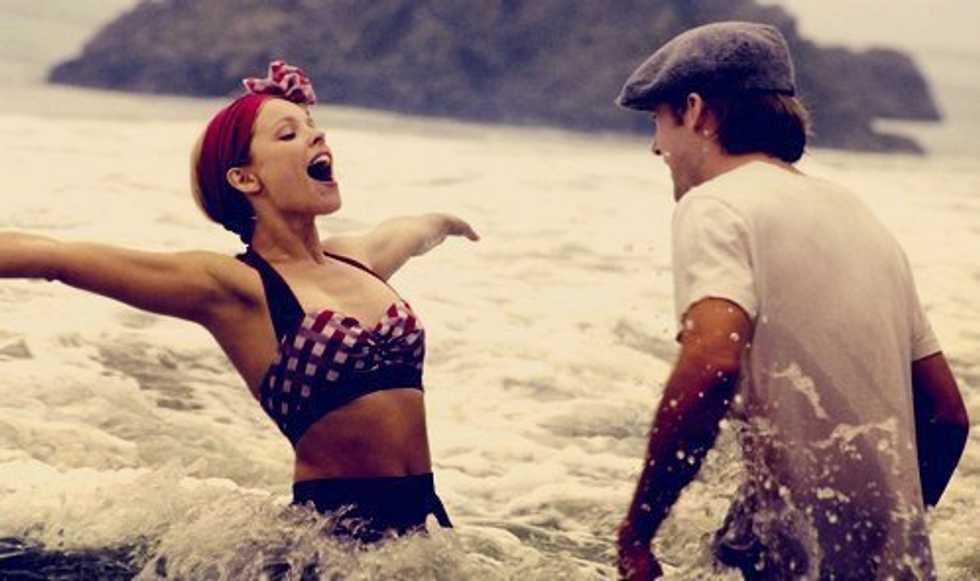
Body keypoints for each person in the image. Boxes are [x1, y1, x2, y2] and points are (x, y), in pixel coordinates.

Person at [0, 61, 478, 544]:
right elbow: (56, 257)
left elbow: (407, 232)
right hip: (335, 541)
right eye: (289, 134)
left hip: (425, 528)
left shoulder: (356, 259)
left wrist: (441, 222)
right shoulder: (235, 287)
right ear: (246, 179)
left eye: (312, 126)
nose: (317, 136)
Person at [612, 22, 969, 580]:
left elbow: (711, 362)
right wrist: (886, 534)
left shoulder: (716, 206)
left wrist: (637, 533)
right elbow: (947, 417)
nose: (657, 146)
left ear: (697, 111)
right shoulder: (858, 215)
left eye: (658, 120)